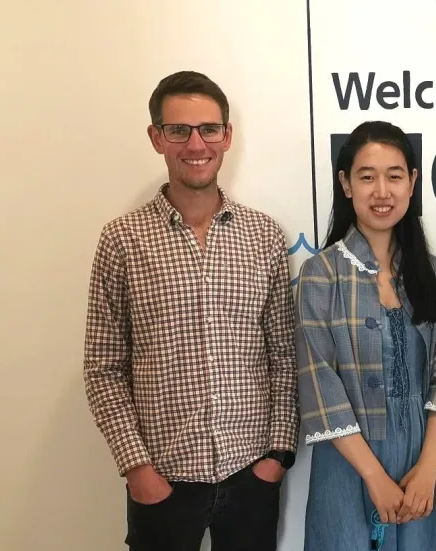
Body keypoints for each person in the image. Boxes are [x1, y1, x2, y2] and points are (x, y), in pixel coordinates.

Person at [82, 70, 299, 551]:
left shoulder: (264, 237)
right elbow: (103, 369)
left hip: (250, 477)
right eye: (178, 130)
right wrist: (137, 467)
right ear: (156, 137)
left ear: (227, 136)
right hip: (161, 480)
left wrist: (277, 456)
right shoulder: (122, 240)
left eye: (208, 129)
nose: (195, 143)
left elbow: (283, 355)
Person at [295, 120, 436, 551]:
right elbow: (319, 381)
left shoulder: (433, 272)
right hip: (348, 465)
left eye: (394, 175)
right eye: (367, 177)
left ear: (412, 182)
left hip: (418, 466)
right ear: (346, 185)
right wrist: (373, 476)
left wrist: (428, 466)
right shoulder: (321, 272)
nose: (382, 191)